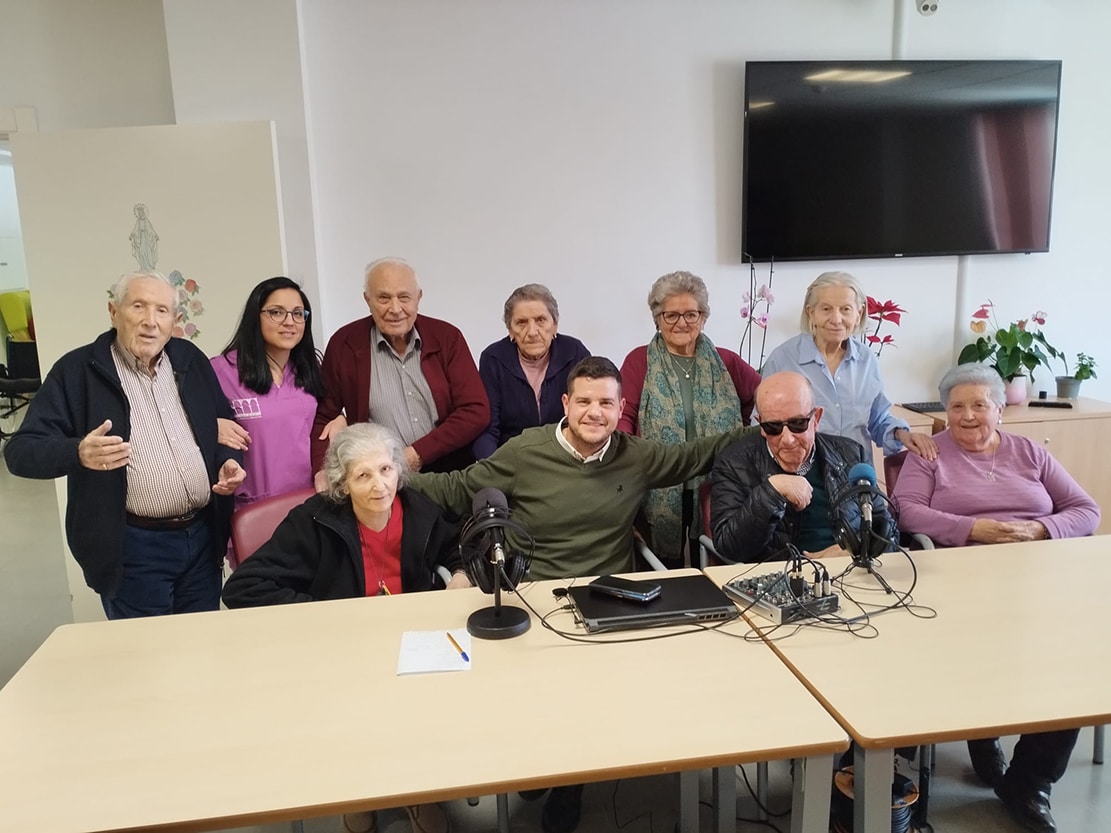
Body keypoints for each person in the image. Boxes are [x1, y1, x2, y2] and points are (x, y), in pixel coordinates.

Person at [408, 355, 756, 833]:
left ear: (621, 406)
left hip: (606, 599)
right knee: (531, 697)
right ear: (566, 404)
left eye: (607, 403)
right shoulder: (524, 452)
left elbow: (696, 455)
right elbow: (454, 487)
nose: (596, 413)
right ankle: (540, 763)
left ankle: (567, 789)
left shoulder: (634, 454)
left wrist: (770, 427)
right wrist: (382, 477)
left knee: (585, 703)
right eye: (585, 402)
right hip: (533, 597)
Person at [225, 421, 467, 833]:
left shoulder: (419, 509)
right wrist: (321, 614)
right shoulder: (312, 522)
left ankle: (417, 792)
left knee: (425, 713)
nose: (380, 486)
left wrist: (460, 572)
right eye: (363, 475)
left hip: (411, 644)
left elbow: (460, 545)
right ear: (342, 482)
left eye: (387, 470)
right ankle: (360, 795)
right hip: (342, 649)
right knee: (357, 719)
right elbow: (244, 587)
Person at [892, 363, 1098, 833]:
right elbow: (907, 512)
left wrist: (1041, 527)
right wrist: (972, 529)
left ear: (1000, 410)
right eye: (957, 406)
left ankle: (1030, 782)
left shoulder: (1030, 453)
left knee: (1070, 661)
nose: (967, 416)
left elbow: (1087, 509)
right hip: (959, 580)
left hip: (1037, 579)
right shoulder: (929, 453)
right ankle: (980, 731)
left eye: (979, 405)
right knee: (977, 648)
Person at [3, 271, 245, 619]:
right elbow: (20, 452)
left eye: (162, 311)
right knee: (147, 658)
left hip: (203, 538)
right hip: (135, 547)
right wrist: (77, 452)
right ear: (113, 312)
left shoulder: (190, 359)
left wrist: (226, 461)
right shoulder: (77, 371)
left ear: (175, 320)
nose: (150, 321)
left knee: (202, 649)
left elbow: (221, 427)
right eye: (138, 306)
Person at [619, 271, 760, 565]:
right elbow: (624, 416)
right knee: (659, 569)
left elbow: (763, 397)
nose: (681, 323)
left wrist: (741, 431)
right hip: (656, 484)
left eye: (690, 314)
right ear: (657, 318)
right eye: (671, 315)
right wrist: (628, 462)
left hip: (715, 481)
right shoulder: (638, 360)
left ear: (703, 317)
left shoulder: (727, 362)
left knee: (712, 563)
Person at [311, 257, 489, 481]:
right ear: (367, 300)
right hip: (380, 480)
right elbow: (323, 416)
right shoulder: (344, 344)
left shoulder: (446, 337)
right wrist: (321, 470)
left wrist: (416, 454)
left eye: (404, 297)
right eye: (383, 298)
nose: (395, 309)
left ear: (418, 298)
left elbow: (476, 410)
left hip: (450, 475)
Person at [211, 277, 330, 566]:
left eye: (298, 313)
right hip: (252, 515)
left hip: (308, 508)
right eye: (276, 312)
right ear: (256, 316)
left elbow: (323, 422)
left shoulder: (311, 369)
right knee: (260, 601)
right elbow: (192, 427)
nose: (289, 321)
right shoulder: (221, 370)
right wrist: (211, 426)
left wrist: (339, 420)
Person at [709, 371, 889, 563]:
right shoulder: (734, 463)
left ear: (816, 419)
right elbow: (729, 547)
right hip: (775, 579)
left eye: (797, 424)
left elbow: (886, 531)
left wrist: (855, 550)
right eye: (773, 427)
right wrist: (771, 492)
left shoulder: (851, 454)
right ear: (761, 425)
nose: (787, 439)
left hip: (849, 573)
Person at [761, 271, 936, 461]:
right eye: (826, 309)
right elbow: (765, 426)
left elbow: (877, 419)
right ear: (811, 313)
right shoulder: (783, 359)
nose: (836, 319)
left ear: (859, 313)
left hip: (856, 475)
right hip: (803, 476)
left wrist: (903, 435)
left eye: (845, 309)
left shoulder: (867, 360)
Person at [473, 283, 590, 458]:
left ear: (555, 325)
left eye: (541, 320)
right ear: (510, 330)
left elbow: (587, 416)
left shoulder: (574, 352)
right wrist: (492, 468)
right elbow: (488, 429)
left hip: (566, 459)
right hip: (513, 460)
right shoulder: (493, 359)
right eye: (521, 322)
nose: (532, 332)